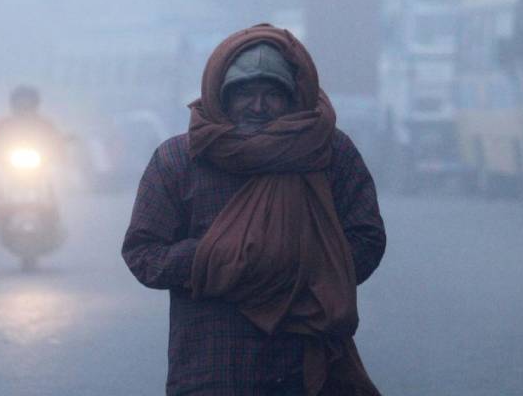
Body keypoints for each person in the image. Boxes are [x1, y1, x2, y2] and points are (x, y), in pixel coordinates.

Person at [122, 24, 386, 395]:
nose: (258, 106)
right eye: (245, 92)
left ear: (293, 98)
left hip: (303, 362)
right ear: (221, 94)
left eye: (271, 94)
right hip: (211, 366)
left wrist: (301, 273)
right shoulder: (179, 160)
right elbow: (142, 254)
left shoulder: (328, 153)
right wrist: (214, 258)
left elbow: (367, 238)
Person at [0, 85, 66, 164]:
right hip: (5, 166)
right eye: (20, 105)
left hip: (43, 166)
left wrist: (56, 153)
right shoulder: (3, 126)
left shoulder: (46, 126)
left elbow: (56, 143)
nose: (24, 108)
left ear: (35, 105)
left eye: (28, 105)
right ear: (14, 105)